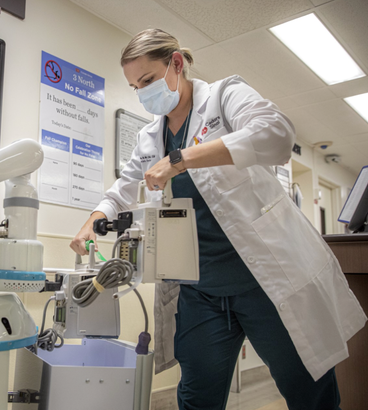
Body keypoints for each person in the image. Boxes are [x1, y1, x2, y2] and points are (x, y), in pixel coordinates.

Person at [70, 29, 366, 410]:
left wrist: (180, 160)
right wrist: (93, 220)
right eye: (134, 86)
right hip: (201, 291)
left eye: (148, 80)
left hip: (264, 283)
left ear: (177, 64)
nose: (142, 93)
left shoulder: (224, 97)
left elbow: (277, 134)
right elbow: (122, 189)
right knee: (197, 399)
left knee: (309, 394)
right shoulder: (148, 138)